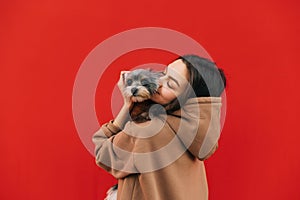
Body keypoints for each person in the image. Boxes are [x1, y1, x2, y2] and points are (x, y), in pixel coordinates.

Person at [92, 54, 227, 200]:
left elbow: (102, 152)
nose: (159, 83)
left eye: (171, 84)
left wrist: (127, 106)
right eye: (163, 74)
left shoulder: (147, 131)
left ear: (186, 99)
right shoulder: (196, 131)